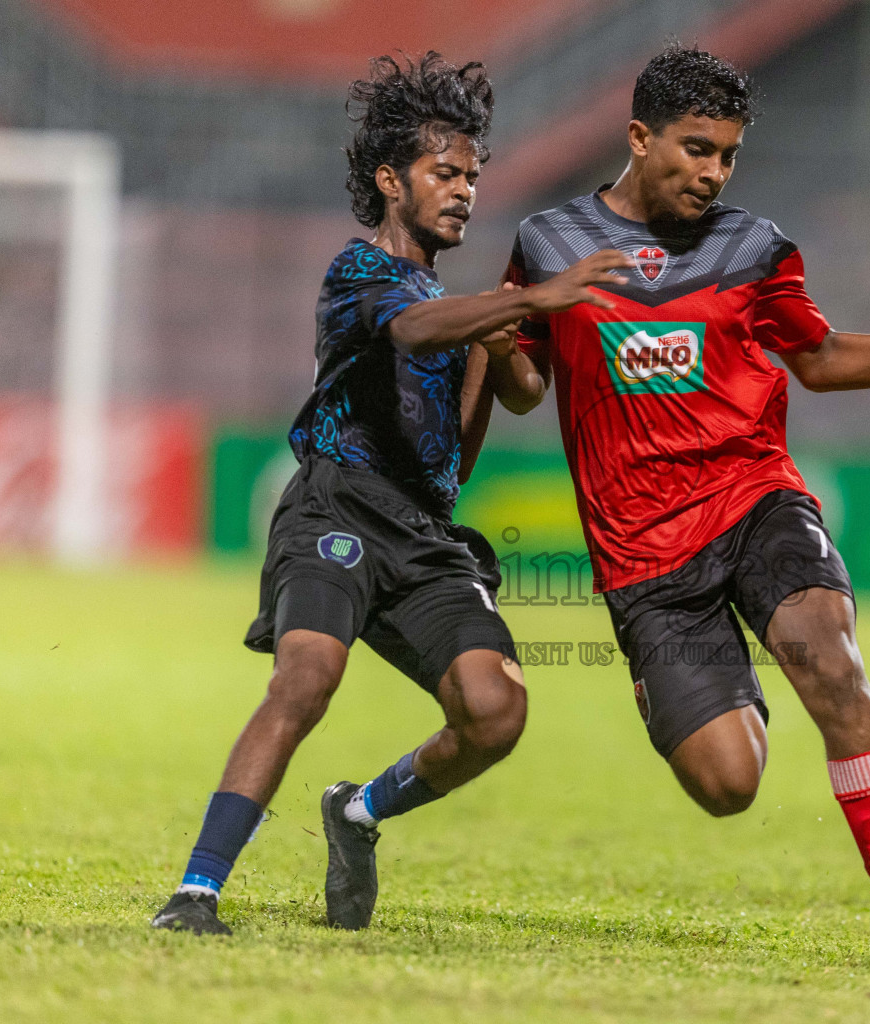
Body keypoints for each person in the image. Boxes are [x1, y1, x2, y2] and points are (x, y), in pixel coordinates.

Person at [492, 46, 870, 970]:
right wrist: (489, 329)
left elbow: (824, 358)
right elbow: (523, 386)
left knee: (831, 656)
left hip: (753, 499)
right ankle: (702, 680)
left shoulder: (754, 250)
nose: (713, 171)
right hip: (644, 556)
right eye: (695, 148)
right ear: (639, 139)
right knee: (729, 784)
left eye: (727, 154)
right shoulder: (550, 244)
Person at [150, 52, 633, 936]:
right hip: (339, 505)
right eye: (443, 173)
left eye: (473, 177)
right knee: (308, 675)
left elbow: (522, 392)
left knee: (495, 712)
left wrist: (535, 320)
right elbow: (411, 328)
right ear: (389, 179)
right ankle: (195, 892)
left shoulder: (462, 305)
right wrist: (520, 300)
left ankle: (359, 812)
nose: (463, 192)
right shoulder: (359, 274)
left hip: (425, 536)